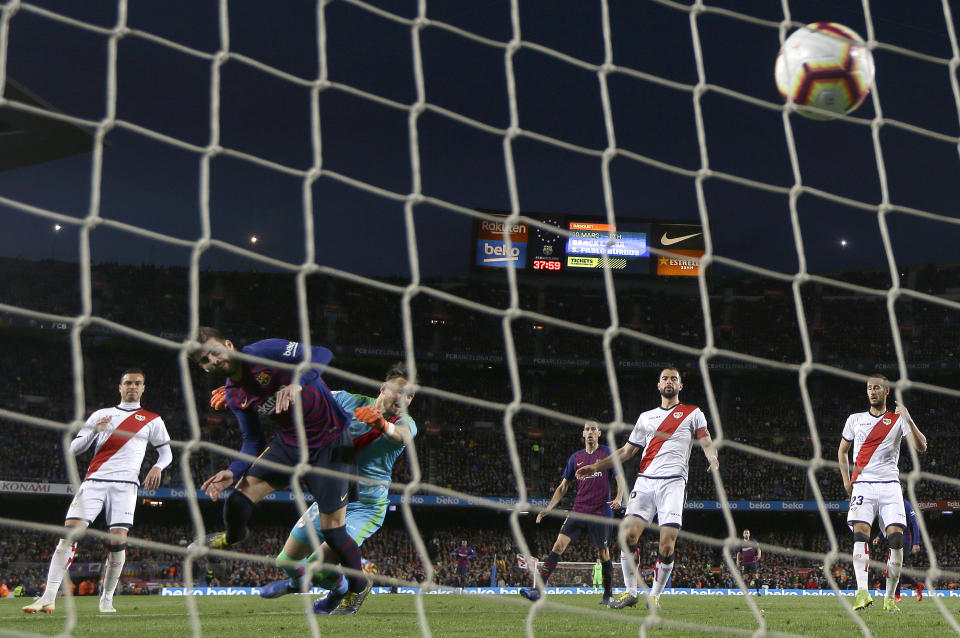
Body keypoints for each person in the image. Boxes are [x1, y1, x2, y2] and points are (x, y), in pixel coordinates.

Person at [191, 327, 372, 614]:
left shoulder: (264, 351)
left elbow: (322, 353)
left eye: (215, 351)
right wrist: (234, 470)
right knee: (238, 498)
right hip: (289, 444)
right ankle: (232, 537)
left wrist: (297, 382)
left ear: (228, 343)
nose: (214, 360)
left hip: (333, 442)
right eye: (205, 360)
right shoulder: (235, 395)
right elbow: (253, 441)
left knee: (334, 534)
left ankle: (359, 588)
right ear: (202, 368)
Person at [256, 364, 415, 615]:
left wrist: (381, 425)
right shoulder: (347, 400)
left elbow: (402, 435)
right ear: (383, 389)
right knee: (285, 561)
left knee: (317, 568)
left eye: (410, 395)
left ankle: (342, 591)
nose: (404, 398)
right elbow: (309, 394)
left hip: (365, 507)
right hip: (331, 498)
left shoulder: (404, 422)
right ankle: (298, 584)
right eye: (399, 391)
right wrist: (245, 392)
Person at [23, 369, 172, 615]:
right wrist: (94, 431)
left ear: (143, 388)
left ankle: (106, 600)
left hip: (126, 485)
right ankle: (48, 597)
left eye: (137, 383)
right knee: (70, 531)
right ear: (120, 387)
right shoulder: (101, 415)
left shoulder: (152, 419)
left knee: (118, 540)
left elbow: (166, 452)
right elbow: (73, 448)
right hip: (95, 481)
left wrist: (157, 466)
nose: (132, 386)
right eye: (128, 383)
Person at [576, 367, 718, 612]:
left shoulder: (692, 413)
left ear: (680, 386)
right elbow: (627, 451)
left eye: (674, 379)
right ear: (658, 385)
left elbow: (705, 438)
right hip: (645, 482)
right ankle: (631, 592)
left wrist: (712, 457)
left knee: (666, 543)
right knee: (627, 535)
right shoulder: (646, 417)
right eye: (665, 378)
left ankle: (654, 596)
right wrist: (595, 466)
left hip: (673, 483)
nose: (669, 382)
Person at [838, 373, 926, 613]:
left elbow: (921, 446)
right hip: (863, 485)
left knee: (896, 539)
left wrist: (908, 418)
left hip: (890, 485)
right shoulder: (855, 419)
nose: (872, 392)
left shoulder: (897, 419)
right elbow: (842, 451)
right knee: (860, 534)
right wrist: (847, 481)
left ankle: (889, 598)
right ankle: (862, 593)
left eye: (877, 388)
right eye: (869, 388)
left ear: (886, 391)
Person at [520, 420, 623, 605]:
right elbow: (563, 486)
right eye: (587, 429)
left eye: (593, 429)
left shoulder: (607, 453)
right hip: (579, 509)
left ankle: (608, 595)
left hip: (601, 511)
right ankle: (538, 591)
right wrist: (548, 508)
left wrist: (619, 497)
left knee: (603, 553)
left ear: (599, 434)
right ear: (583, 434)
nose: (590, 432)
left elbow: (619, 477)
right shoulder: (576, 458)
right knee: (558, 545)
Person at [873, 489, 924, 602]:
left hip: (905, 538)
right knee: (894, 567)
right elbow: (888, 524)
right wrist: (879, 536)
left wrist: (916, 542)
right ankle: (917, 585)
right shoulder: (890, 504)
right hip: (893, 537)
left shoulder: (905, 504)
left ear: (902, 490)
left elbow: (914, 523)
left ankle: (897, 595)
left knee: (896, 566)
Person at [736, 529, 762, 595]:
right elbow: (739, 553)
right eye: (745, 533)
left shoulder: (753, 541)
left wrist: (759, 554)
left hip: (753, 561)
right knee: (745, 577)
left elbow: (758, 548)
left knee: (755, 576)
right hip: (744, 562)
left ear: (749, 534)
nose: (746, 534)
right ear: (743, 534)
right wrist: (738, 561)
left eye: (747, 533)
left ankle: (758, 591)